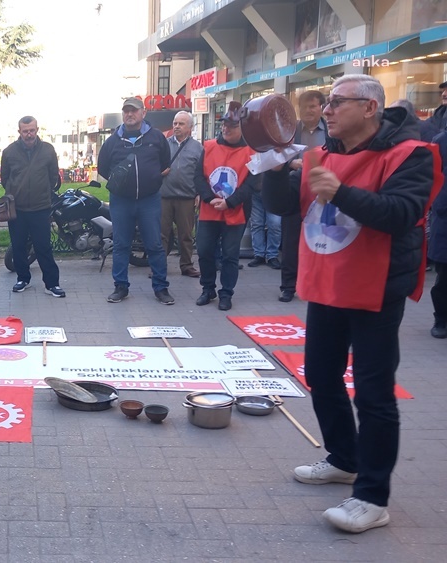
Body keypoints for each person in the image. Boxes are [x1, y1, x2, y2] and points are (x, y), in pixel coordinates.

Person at [262, 75, 437, 533]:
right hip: (329, 281)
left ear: (371, 108)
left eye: (339, 103)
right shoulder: (324, 153)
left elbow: (402, 214)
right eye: (329, 103)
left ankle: (373, 498)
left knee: (375, 391)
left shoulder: (411, 154)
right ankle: (345, 457)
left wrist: (339, 191)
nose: (328, 110)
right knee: (320, 374)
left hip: (376, 286)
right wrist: (276, 173)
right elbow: (288, 207)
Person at [97, 97, 174, 305]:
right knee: (121, 244)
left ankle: (161, 288)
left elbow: (165, 162)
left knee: (155, 245)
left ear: (143, 113)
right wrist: (121, 182)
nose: (129, 114)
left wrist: (151, 179)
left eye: (133, 111)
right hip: (121, 201)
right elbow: (103, 167)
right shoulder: (112, 141)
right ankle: (120, 287)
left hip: (149, 200)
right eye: (126, 111)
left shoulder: (156, 137)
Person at [194, 102, 256, 311]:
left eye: (232, 125)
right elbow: (199, 177)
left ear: (243, 128)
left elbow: (251, 183)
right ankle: (208, 288)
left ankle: (226, 293)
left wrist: (230, 202)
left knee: (230, 255)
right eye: (224, 124)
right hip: (209, 209)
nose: (226, 128)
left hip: (235, 211)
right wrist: (210, 198)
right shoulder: (209, 146)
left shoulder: (252, 151)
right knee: (204, 251)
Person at [0, 115, 64, 297]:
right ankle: (23, 279)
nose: (29, 134)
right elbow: (5, 178)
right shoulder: (9, 152)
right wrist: (15, 191)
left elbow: (53, 177)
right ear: (19, 131)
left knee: (43, 246)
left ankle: (52, 284)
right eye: (25, 131)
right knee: (19, 246)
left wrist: (44, 192)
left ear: (37, 130)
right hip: (17, 208)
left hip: (41, 207)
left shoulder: (48, 150)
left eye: (32, 130)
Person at [280, 90, 330, 302]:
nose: (308, 110)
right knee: (291, 240)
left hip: (322, 192)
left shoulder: (330, 131)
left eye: (312, 106)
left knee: (321, 239)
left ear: (321, 108)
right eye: (304, 107)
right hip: (294, 189)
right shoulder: (290, 131)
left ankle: (316, 284)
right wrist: (291, 163)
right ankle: (288, 287)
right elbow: (277, 156)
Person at [160, 111, 203, 278]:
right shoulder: (163, 145)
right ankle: (159, 266)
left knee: (185, 235)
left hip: (186, 197)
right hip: (164, 196)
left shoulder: (198, 148)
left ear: (190, 128)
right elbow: (153, 166)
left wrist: (198, 193)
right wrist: (159, 172)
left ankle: (186, 265)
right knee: (162, 234)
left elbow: (201, 173)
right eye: (175, 123)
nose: (176, 126)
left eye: (181, 124)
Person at [427, 128, 447, 338]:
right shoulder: (441, 141)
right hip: (445, 215)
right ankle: (441, 318)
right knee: (444, 277)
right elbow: (432, 177)